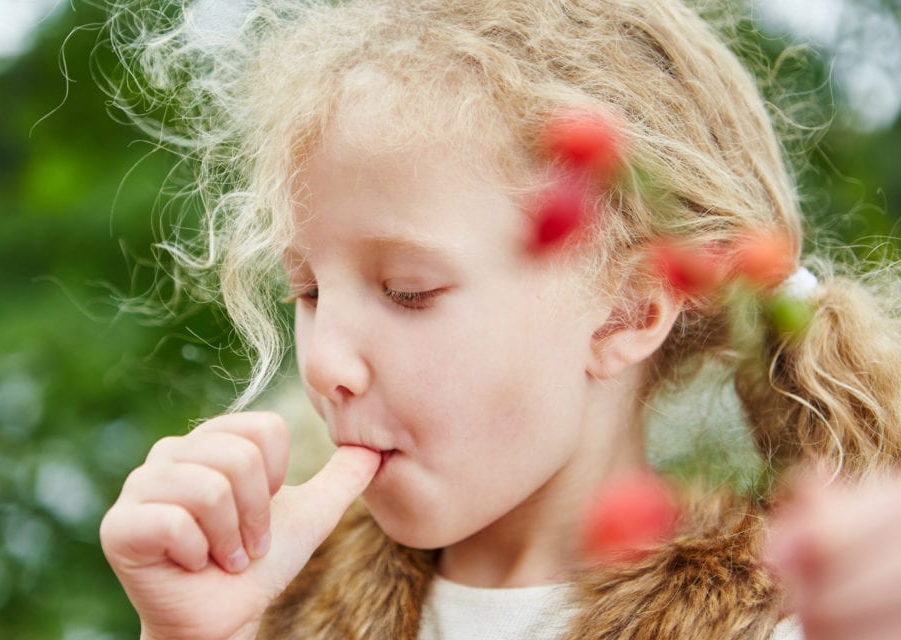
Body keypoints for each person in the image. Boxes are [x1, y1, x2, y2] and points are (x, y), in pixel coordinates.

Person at [98, 1, 901, 638]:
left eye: (408, 291)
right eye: (307, 292)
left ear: (627, 310)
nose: (325, 362)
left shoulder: (797, 618)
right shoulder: (272, 605)